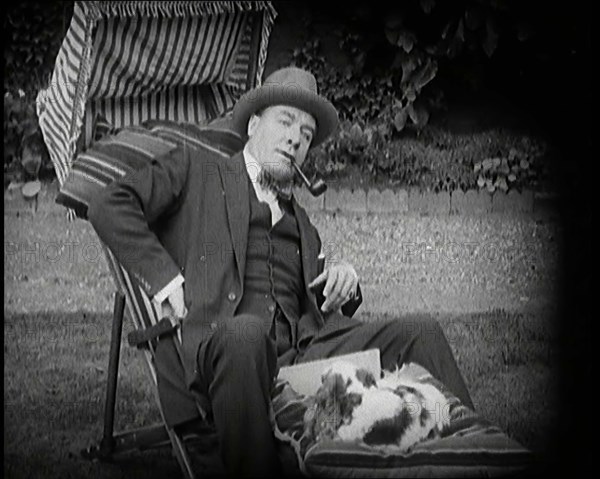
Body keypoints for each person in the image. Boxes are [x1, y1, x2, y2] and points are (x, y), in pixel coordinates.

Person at [88, 67, 474, 477]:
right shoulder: (196, 171)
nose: (295, 138)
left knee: (421, 330)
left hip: (305, 356)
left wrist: (344, 278)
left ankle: (473, 453)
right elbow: (109, 205)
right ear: (255, 124)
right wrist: (165, 279)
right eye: (285, 122)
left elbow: (319, 300)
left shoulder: (301, 221)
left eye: (306, 134)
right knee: (246, 333)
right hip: (227, 349)